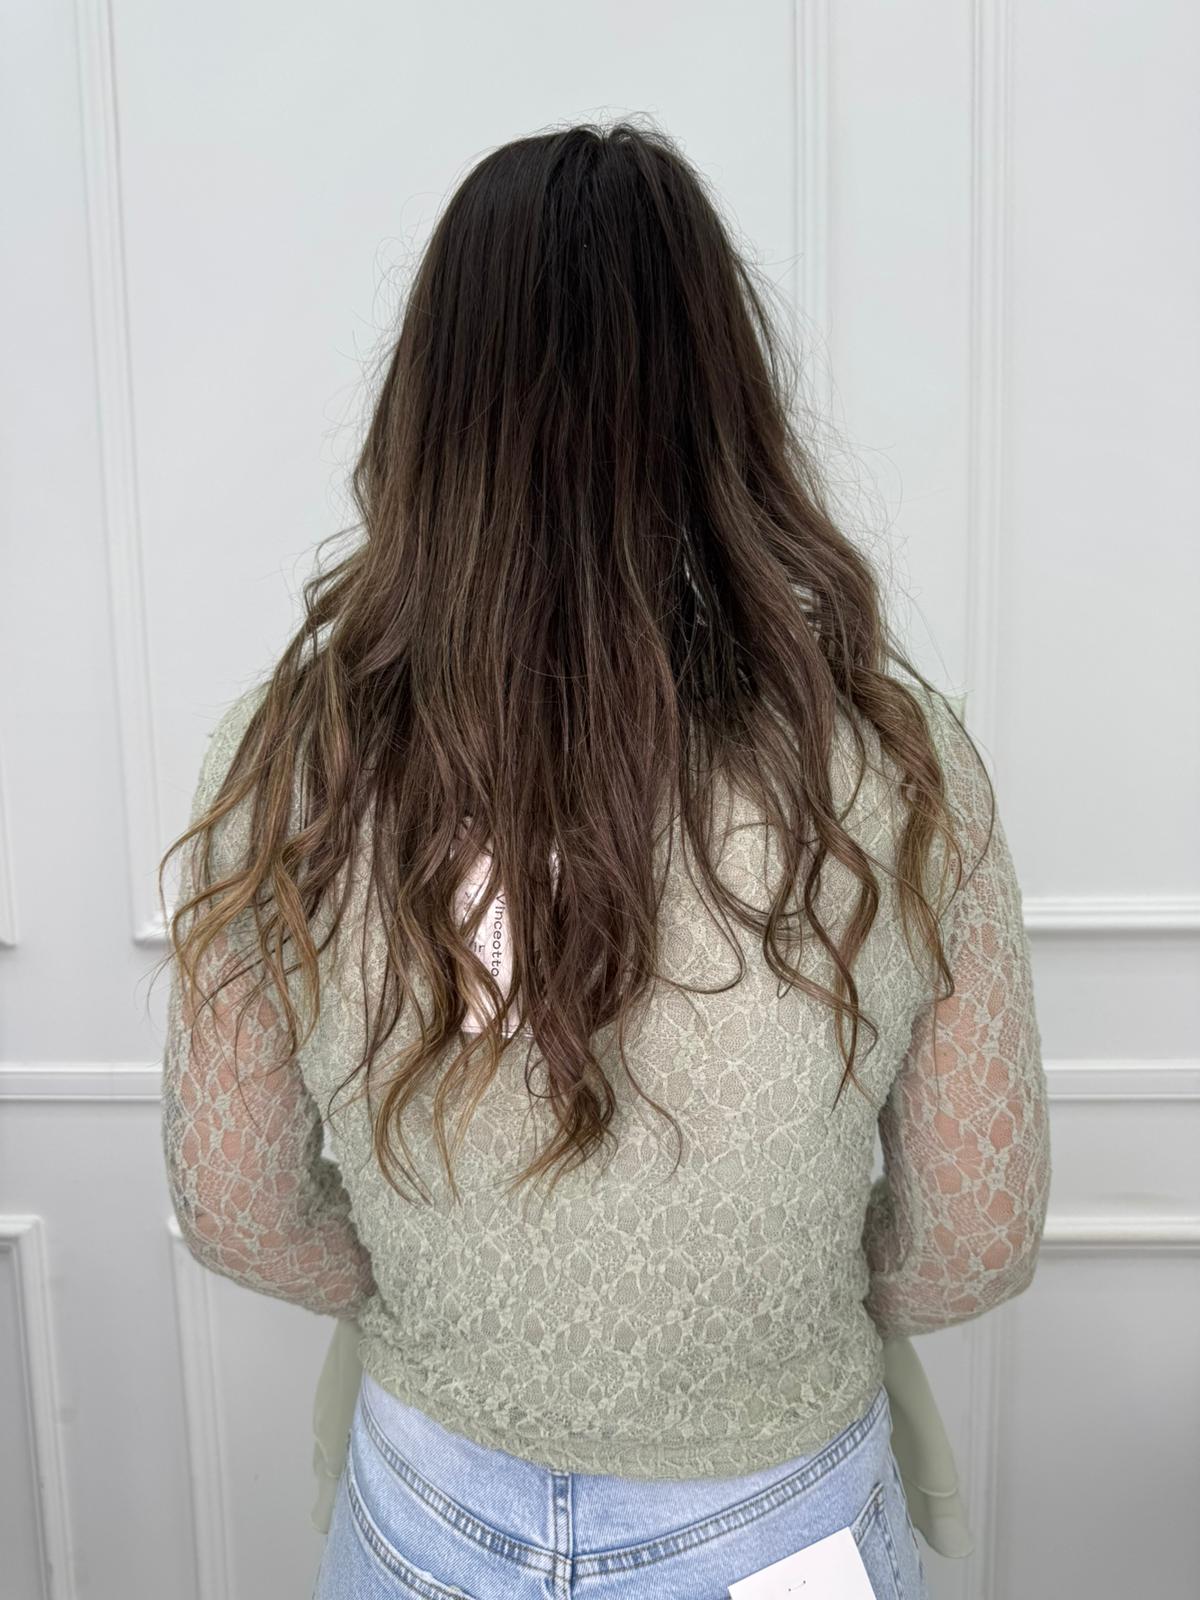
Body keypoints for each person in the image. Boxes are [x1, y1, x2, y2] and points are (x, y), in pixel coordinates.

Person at [156, 118, 1051, 1600]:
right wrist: (773, 1316)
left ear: (431, 405)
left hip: (426, 1516)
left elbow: (235, 1202)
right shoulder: (896, 765)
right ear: (727, 403)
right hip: (782, 1522)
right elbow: (978, 1236)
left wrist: (447, 1307)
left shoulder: (295, 760)